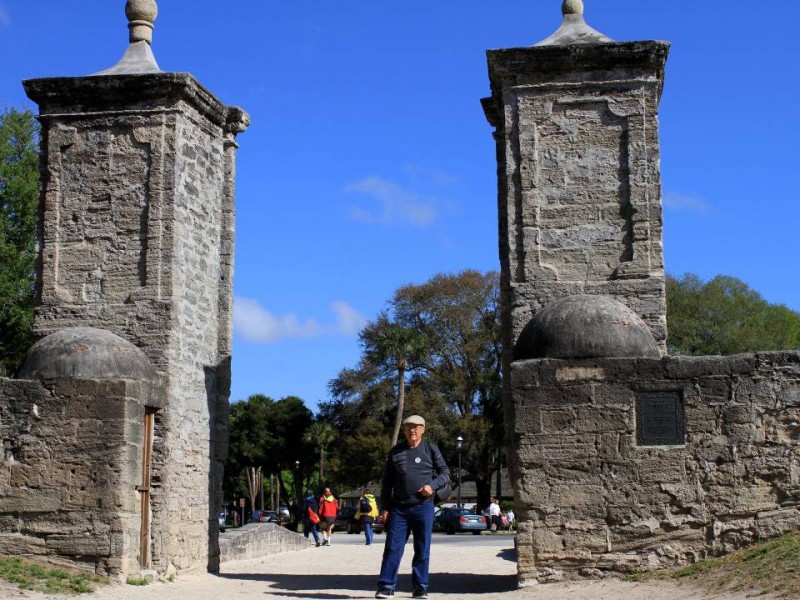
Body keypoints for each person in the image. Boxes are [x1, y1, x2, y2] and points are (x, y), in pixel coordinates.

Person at [375, 414, 450, 600]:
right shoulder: (396, 452)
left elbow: (445, 473)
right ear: (404, 430)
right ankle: (386, 587)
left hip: (423, 507)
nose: (412, 430)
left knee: (422, 548)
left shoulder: (430, 449)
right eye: (409, 427)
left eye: (416, 427)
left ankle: (420, 588)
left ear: (423, 429)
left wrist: (431, 487)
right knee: (392, 548)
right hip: (398, 509)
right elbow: (387, 483)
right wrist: (385, 508)